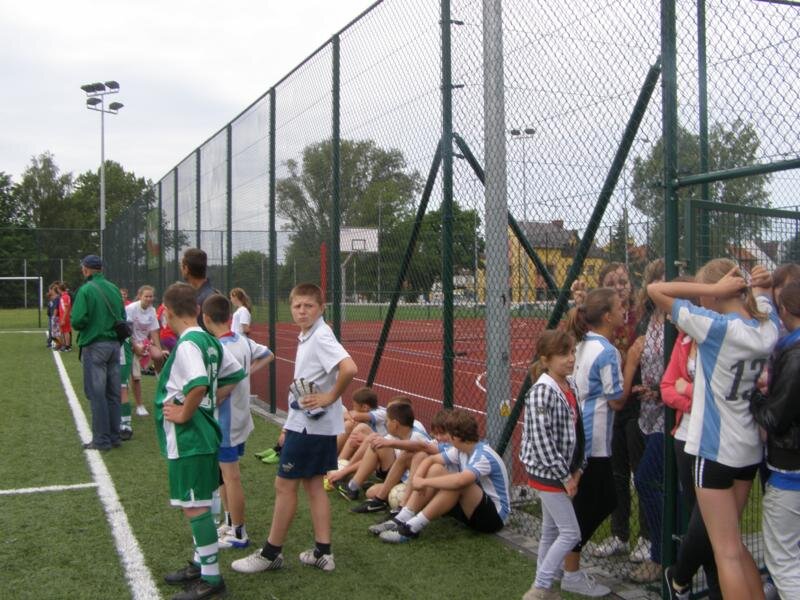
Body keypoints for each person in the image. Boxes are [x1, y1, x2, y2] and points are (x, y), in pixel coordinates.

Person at [648, 258, 779, 600]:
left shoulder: (716, 327)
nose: (702, 299)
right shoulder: (766, 325)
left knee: (726, 552)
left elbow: (655, 289)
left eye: (707, 293)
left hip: (715, 449)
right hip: (748, 448)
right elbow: (763, 297)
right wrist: (759, 285)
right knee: (734, 544)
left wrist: (712, 287)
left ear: (719, 292)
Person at [232, 283, 357, 574]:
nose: (302, 311)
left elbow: (349, 368)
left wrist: (330, 397)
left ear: (321, 308)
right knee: (313, 485)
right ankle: (323, 552)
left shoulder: (321, 335)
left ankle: (271, 553)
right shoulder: (311, 334)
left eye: (308, 306)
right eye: (297, 306)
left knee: (285, 485)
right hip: (311, 424)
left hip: (311, 427)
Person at [154, 283, 245, 600]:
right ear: (196, 309)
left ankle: (211, 578)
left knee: (195, 507)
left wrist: (185, 412)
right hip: (204, 433)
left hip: (191, 437)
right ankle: (199, 563)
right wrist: (211, 401)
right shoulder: (208, 339)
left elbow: (197, 383)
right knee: (199, 502)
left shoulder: (188, 344)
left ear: (167, 312)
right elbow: (234, 374)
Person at [562, 287, 627, 597]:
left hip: (581, 432)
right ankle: (570, 570)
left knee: (598, 500)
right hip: (595, 439)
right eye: (620, 306)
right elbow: (616, 400)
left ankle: (564, 562)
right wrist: (632, 362)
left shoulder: (583, 344)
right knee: (595, 503)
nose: (625, 310)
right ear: (608, 316)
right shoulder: (607, 352)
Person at [660, 277, 721, 600]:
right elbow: (667, 388)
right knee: (700, 517)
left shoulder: (720, 338)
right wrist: (692, 398)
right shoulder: (683, 342)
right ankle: (715, 588)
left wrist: (690, 389)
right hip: (684, 438)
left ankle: (679, 577)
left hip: (713, 441)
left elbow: (718, 394)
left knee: (708, 522)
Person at [202, 293, 274, 550]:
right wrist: (247, 373)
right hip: (240, 419)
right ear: (230, 316)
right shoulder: (242, 340)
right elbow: (268, 354)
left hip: (226, 423)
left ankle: (239, 533)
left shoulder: (217, 348)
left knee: (231, 477)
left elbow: (217, 389)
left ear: (205, 319)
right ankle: (230, 522)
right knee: (224, 476)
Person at [376, 408, 510, 544]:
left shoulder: (483, 455)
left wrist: (425, 483)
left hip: (493, 519)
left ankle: (411, 528)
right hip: (470, 511)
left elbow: (460, 481)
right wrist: (418, 478)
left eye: (448, 434)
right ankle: (403, 517)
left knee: (460, 482)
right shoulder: (460, 450)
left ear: (455, 437)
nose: (446, 440)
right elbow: (431, 460)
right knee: (436, 469)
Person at [520, 330, 585, 600]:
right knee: (570, 533)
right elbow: (541, 440)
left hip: (562, 471)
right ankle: (539, 587)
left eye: (572, 352)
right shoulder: (541, 392)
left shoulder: (570, 386)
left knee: (550, 530)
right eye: (563, 354)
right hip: (548, 473)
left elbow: (578, 431)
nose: (570, 359)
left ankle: (543, 588)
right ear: (546, 360)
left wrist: (578, 468)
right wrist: (565, 476)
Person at [749, 279, 800, 600]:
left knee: (783, 562)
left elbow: (775, 418)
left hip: (790, 470)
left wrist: (754, 396)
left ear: (784, 310)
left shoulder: (794, 356)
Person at [624, 259, 666, 583]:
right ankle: (666, 551)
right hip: (648, 413)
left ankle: (661, 555)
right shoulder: (648, 322)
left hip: (672, 414)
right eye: (660, 281)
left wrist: (662, 391)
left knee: (647, 479)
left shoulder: (680, 321)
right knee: (656, 482)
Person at [70, 255, 124, 451]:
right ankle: (115, 436)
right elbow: (122, 316)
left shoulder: (85, 290)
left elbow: (77, 320)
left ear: (86, 269)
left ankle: (101, 440)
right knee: (113, 394)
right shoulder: (114, 288)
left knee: (97, 394)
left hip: (95, 345)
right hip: (114, 345)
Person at [334, 399, 430, 504]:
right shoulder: (399, 431)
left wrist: (345, 471)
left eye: (387, 421)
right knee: (376, 442)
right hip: (398, 473)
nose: (386, 423)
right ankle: (352, 486)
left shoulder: (417, 437)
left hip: (411, 480)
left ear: (395, 424)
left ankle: (352, 481)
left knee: (371, 493)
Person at [126, 285, 166, 417]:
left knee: (159, 355)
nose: (149, 299)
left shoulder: (152, 310)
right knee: (136, 376)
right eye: (146, 296)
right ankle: (139, 405)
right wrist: (135, 347)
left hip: (144, 343)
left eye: (151, 296)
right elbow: (127, 331)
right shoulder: (131, 309)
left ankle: (159, 375)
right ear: (140, 296)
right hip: (130, 344)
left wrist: (159, 349)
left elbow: (154, 331)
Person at [181, 248, 217, 331]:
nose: (181, 270)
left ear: (186, 269)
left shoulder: (209, 298)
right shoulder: (208, 295)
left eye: (181, 267)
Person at [58, 282, 73, 351]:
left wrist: (63, 319)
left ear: (60, 289)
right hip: (64, 316)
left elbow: (66, 308)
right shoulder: (65, 296)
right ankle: (65, 345)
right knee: (64, 331)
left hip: (64, 316)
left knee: (66, 331)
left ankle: (67, 346)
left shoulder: (65, 297)